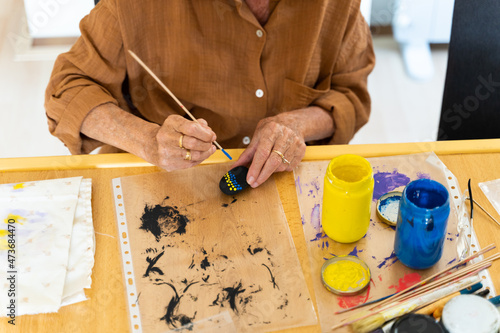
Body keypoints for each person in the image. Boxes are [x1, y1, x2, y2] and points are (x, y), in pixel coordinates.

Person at [45, 0, 375, 188]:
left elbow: (351, 95)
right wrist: (150, 140)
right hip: (163, 182)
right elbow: (68, 89)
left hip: (285, 180)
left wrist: (297, 124)